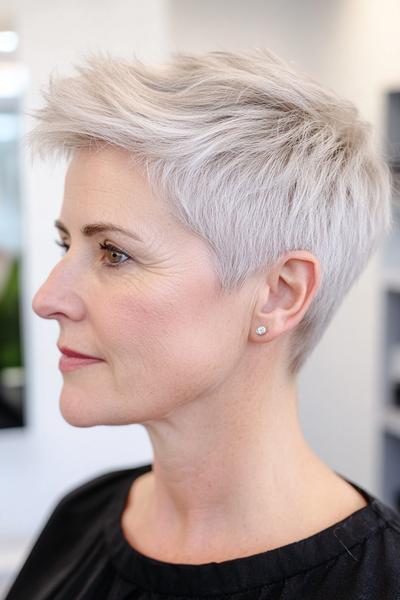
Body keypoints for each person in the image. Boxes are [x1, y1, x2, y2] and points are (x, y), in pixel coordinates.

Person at [5, 48, 400, 600]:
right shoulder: (81, 517)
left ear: (277, 294)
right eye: (65, 242)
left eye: (114, 253)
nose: (47, 299)